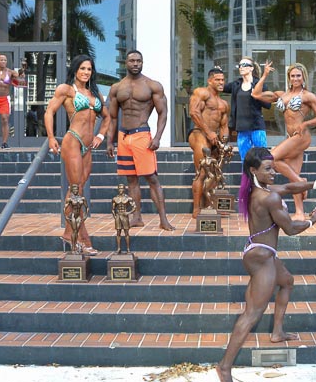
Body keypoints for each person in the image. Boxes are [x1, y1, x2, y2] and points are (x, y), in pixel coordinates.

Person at [216, 147, 316, 382]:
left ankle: (277, 332)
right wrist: (311, 221)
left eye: (274, 167)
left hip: (261, 252)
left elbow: (289, 187)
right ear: (253, 170)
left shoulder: (258, 190)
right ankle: (224, 367)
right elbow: (290, 229)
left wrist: (315, 184)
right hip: (262, 259)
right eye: (268, 169)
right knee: (251, 314)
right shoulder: (268, 198)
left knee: (287, 281)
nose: (274, 172)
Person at [45, 54, 111, 255]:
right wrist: (51, 137)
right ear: (75, 70)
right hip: (73, 141)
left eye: (89, 69)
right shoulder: (66, 90)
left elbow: (107, 117)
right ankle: (83, 237)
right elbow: (49, 112)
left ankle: (68, 233)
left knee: (78, 189)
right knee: (76, 191)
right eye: (82, 68)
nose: (86, 72)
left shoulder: (95, 94)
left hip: (88, 146)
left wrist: (100, 135)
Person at [106, 50, 175, 231]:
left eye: (139, 61)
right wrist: (109, 141)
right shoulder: (117, 88)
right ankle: (136, 217)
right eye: (132, 61)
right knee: (131, 179)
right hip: (123, 137)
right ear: (126, 63)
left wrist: (158, 137)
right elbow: (112, 117)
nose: (135, 64)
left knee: (152, 178)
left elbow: (163, 113)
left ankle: (163, 219)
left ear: (142, 63)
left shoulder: (152, 85)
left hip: (142, 135)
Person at [252, 62, 316, 220]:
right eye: (292, 76)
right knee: (293, 175)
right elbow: (256, 94)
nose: (295, 78)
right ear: (288, 77)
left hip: (301, 136)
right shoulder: (282, 95)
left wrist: (305, 124)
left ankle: (300, 181)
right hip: (290, 137)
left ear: (303, 77)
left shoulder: (308, 96)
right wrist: (265, 74)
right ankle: (299, 211)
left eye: (298, 76)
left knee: (270, 158)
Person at [188, 66, 229, 217]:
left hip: (214, 138)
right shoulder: (201, 93)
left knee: (215, 173)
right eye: (217, 80)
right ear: (210, 80)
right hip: (199, 133)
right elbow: (194, 112)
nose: (221, 82)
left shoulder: (224, 103)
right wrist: (209, 132)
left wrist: (223, 142)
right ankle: (196, 208)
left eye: (223, 80)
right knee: (202, 172)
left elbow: (224, 126)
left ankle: (210, 205)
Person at [226, 57, 271, 164]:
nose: (241, 67)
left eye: (244, 65)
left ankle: (264, 175)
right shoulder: (236, 84)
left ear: (251, 68)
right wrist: (217, 72)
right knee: (245, 159)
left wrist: (257, 96)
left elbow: (268, 104)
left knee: (263, 157)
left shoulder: (258, 84)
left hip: (257, 127)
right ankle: (246, 176)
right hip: (242, 128)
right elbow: (220, 87)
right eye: (240, 65)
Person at [112, 183, 136, 254]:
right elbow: (113, 209)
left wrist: (128, 212)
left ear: (124, 189)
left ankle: (128, 249)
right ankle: (119, 248)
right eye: (119, 188)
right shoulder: (115, 199)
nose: (120, 190)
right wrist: (115, 216)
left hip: (125, 216)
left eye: (122, 188)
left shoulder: (128, 198)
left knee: (126, 232)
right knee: (118, 232)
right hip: (118, 215)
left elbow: (134, 207)